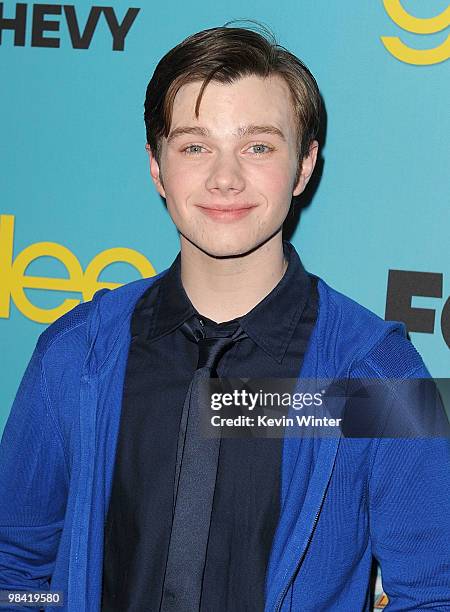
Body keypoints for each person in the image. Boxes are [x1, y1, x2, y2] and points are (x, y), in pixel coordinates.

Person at [0, 23, 449, 612]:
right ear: (157, 167)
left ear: (304, 165)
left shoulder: (378, 375)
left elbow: (434, 594)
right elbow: (16, 569)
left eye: (258, 146)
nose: (224, 177)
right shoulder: (74, 356)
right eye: (194, 145)